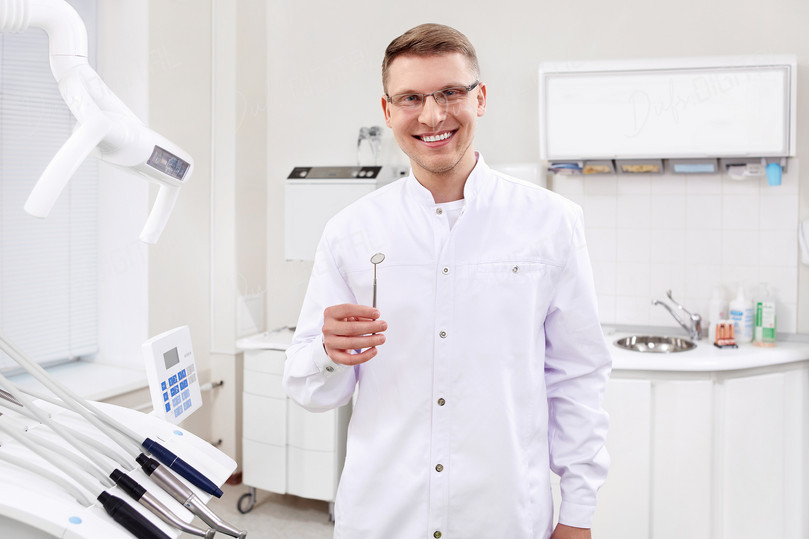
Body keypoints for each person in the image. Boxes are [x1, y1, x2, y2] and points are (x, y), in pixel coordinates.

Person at [283, 23, 610, 539]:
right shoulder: (350, 233)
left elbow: (578, 377)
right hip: (382, 517)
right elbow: (309, 388)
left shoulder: (551, 224)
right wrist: (328, 352)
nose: (432, 115)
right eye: (411, 97)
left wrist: (578, 513)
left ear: (480, 98)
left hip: (503, 517)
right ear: (388, 111)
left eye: (450, 92)